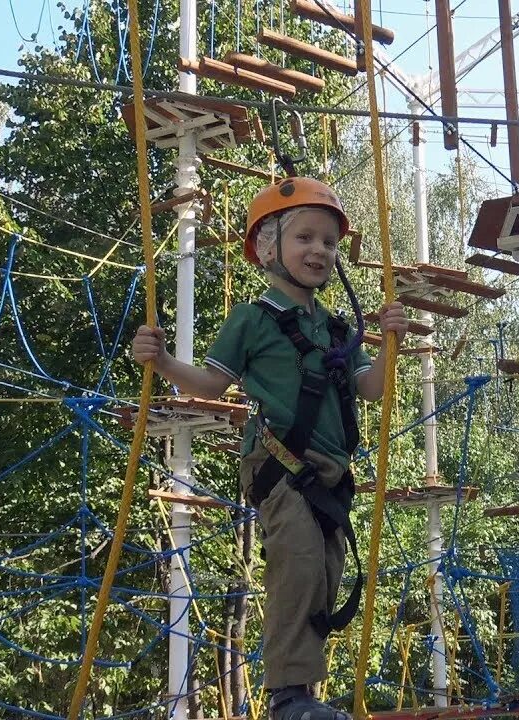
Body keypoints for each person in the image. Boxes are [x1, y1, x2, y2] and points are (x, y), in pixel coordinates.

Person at [131, 176, 408, 720]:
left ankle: (304, 693)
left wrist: (388, 343)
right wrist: (161, 362)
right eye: (305, 238)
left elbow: (370, 389)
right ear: (268, 248)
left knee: (325, 575)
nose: (319, 251)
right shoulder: (253, 320)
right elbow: (211, 385)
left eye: (328, 243)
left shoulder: (334, 328)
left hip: (330, 473)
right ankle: (288, 696)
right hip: (280, 465)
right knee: (300, 567)